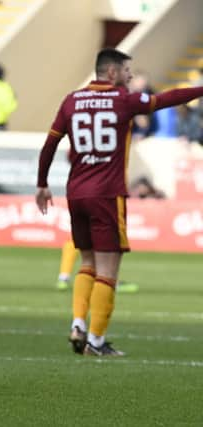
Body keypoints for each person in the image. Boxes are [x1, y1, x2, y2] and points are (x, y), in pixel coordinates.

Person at [36, 47, 203, 357]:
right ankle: (96, 342)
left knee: (86, 263)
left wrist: (42, 184)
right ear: (111, 72)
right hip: (107, 194)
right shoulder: (123, 100)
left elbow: (49, 144)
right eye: (127, 71)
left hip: (76, 192)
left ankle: (77, 324)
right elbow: (168, 98)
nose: (131, 77)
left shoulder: (71, 100)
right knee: (108, 270)